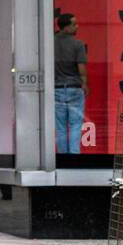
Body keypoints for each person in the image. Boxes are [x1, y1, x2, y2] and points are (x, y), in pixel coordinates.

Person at [54, 13, 88, 154]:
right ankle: (74, 158)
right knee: (75, 125)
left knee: (61, 127)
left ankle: (62, 159)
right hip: (74, 88)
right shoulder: (78, 44)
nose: (76, 26)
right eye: (74, 24)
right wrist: (84, 84)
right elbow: (81, 69)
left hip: (56, 88)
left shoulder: (49, 43)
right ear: (66, 27)